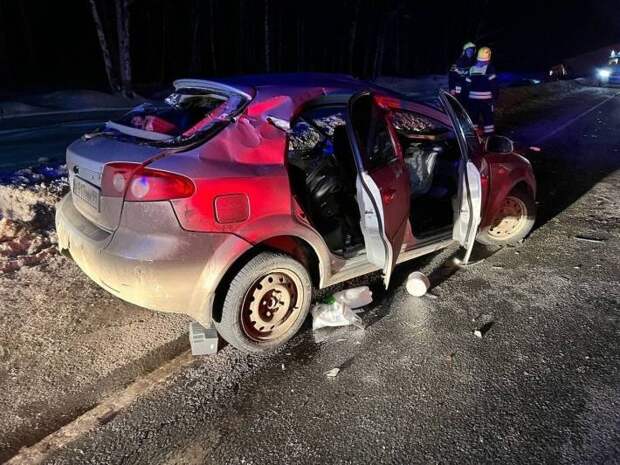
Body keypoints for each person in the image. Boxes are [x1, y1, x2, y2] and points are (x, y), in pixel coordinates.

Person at [464, 46, 498, 136]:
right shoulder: (490, 69)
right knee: (488, 120)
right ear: (488, 57)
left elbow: (467, 85)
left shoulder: (471, 69)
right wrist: (495, 99)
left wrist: (468, 96)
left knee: (473, 119)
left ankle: (473, 137)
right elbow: (494, 86)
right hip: (486, 100)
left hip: (473, 100)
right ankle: (489, 139)